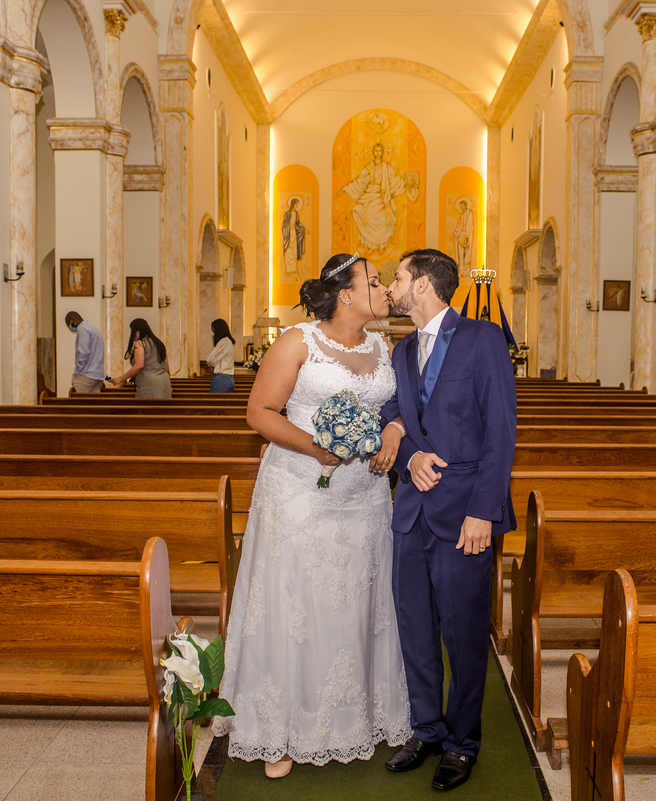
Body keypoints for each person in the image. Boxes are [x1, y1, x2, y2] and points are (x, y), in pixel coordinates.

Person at [214, 253, 411, 778]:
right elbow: (259, 412)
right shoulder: (297, 342)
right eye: (374, 282)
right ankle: (277, 730)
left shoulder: (383, 346)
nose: (385, 289)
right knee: (294, 602)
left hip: (364, 496)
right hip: (301, 491)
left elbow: (396, 412)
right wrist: (314, 448)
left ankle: (352, 717)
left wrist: (391, 432)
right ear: (345, 294)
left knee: (354, 601)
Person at [374, 248, 517, 792]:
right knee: (414, 630)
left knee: (461, 636)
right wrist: (407, 452)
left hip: (464, 516)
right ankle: (426, 728)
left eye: (400, 276)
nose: (393, 285)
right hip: (410, 511)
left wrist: (485, 509)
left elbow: (501, 431)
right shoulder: (402, 349)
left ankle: (461, 742)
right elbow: (393, 414)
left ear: (426, 283)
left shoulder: (483, 339)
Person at [111, 318, 171, 398]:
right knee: (162, 409)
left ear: (137, 331)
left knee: (147, 409)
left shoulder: (140, 344)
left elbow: (139, 366)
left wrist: (120, 378)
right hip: (164, 383)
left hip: (149, 384)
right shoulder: (159, 344)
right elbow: (166, 368)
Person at [65, 311, 105, 394]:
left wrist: (79, 370)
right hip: (98, 376)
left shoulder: (82, 329)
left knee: (79, 404)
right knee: (93, 405)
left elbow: (83, 352)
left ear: (73, 321)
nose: (70, 327)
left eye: (69, 324)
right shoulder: (95, 329)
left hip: (86, 375)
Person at [208, 319, 236, 393]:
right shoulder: (228, 342)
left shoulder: (224, 342)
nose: (212, 334)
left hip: (221, 378)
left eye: (213, 331)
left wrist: (211, 364)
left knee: (215, 403)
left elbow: (210, 360)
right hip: (228, 378)